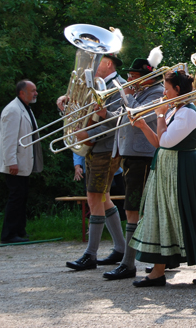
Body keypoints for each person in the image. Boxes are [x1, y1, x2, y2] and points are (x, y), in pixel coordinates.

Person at [130, 70, 196, 287]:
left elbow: (166, 141)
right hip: (168, 168)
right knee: (162, 214)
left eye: (166, 89)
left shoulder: (188, 113)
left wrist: (157, 115)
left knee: (190, 215)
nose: (163, 93)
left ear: (177, 90)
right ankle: (158, 271)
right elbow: (158, 142)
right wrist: (143, 125)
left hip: (183, 169)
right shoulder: (175, 111)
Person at [103, 52, 165, 280]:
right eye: (128, 75)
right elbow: (121, 117)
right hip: (129, 154)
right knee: (134, 208)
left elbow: (140, 115)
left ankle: (130, 263)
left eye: (132, 76)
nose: (128, 80)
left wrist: (126, 96)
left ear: (145, 78)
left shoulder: (157, 93)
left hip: (143, 156)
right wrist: (104, 113)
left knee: (136, 209)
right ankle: (140, 260)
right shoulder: (137, 93)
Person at [63, 53, 127, 270]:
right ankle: (120, 248)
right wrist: (66, 104)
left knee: (93, 198)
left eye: (98, 60)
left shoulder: (119, 86)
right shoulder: (95, 85)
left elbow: (118, 121)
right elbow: (84, 112)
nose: (92, 64)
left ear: (108, 63)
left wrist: (88, 134)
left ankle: (90, 255)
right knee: (103, 197)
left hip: (106, 149)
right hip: (95, 148)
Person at [0, 80, 43, 243]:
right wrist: (11, 162)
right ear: (22, 93)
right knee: (16, 197)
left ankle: (19, 230)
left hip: (23, 163)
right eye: (32, 91)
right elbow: (8, 139)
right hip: (15, 164)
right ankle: (9, 234)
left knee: (22, 196)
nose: (35, 93)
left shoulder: (23, 108)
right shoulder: (13, 110)